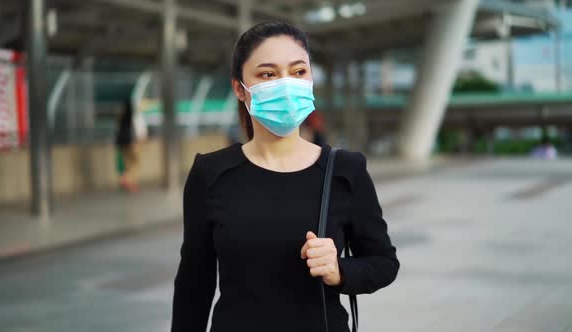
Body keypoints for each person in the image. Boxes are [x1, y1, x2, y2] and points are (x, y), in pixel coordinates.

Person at [171, 21, 399, 332]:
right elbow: (193, 284)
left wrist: (339, 270)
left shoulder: (346, 170)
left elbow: (384, 263)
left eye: (298, 71)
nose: (286, 84)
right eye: (268, 74)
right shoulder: (210, 173)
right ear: (240, 88)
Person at [115, 97, 148, 192]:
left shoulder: (121, 117)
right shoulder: (133, 117)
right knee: (136, 163)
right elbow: (139, 131)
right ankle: (128, 179)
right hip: (132, 143)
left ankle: (130, 182)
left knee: (128, 163)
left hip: (121, 143)